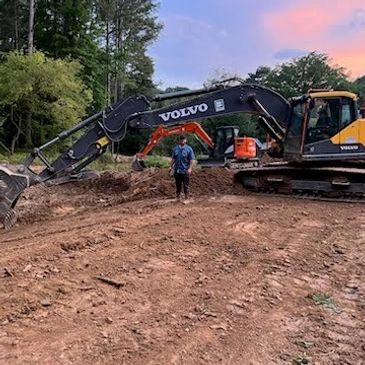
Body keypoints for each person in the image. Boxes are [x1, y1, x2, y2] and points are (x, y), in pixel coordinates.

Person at [169, 135, 195, 201]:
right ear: (179, 140)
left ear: (186, 140)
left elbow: (191, 160)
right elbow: (173, 159)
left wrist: (190, 168)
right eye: (181, 139)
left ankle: (186, 198)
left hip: (185, 170)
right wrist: (170, 166)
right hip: (177, 170)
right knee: (178, 184)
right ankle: (178, 197)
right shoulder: (175, 149)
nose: (182, 141)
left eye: (184, 139)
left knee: (186, 185)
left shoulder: (189, 149)